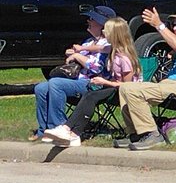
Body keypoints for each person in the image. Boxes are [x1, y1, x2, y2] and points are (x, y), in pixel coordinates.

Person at [116, 6, 176, 151]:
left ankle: (152, 134)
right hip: (172, 85)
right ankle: (135, 133)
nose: (175, 28)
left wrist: (159, 25)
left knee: (133, 90)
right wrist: (172, 53)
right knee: (125, 87)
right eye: (173, 24)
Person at [43, 17, 142, 148]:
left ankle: (70, 131)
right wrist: (79, 50)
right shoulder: (112, 49)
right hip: (113, 85)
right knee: (90, 94)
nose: (103, 32)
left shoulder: (124, 57)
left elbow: (128, 86)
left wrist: (104, 81)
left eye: (106, 30)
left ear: (114, 34)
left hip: (124, 91)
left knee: (91, 96)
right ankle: (69, 131)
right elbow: (99, 48)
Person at [31, 6, 115, 141]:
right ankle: (44, 130)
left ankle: (60, 128)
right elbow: (78, 60)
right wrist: (72, 54)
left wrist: (77, 56)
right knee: (41, 88)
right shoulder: (88, 42)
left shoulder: (109, 44)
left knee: (55, 84)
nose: (88, 21)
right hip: (77, 80)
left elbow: (97, 68)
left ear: (102, 24)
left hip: (94, 83)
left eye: (92, 19)